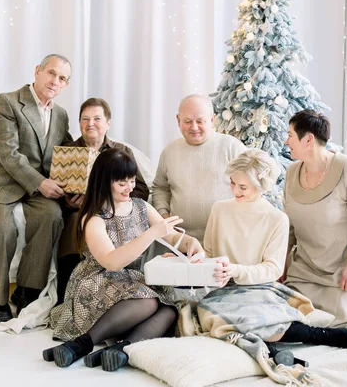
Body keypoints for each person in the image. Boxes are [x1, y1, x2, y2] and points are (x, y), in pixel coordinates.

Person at [44, 148, 203, 371]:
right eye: (122, 183)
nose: (129, 187)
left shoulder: (140, 206)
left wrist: (189, 243)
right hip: (98, 281)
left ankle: (121, 351)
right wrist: (151, 233)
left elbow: (170, 234)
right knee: (148, 301)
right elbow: (111, 262)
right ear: (105, 182)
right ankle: (83, 343)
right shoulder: (94, 218)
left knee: (169, 310)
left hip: (130, 282)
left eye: (131, 181)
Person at [203, 149, 347, 368]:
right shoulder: (219, 209)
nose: (235, 190)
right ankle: (272, 353)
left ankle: (317, 335)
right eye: (233, 183)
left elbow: (273, 269)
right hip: (221, 289)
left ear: (261, 185)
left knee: (253, 319)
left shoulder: (276, 219)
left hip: (259, 288)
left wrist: (236, 270)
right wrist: (198, 259)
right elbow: (209, 252)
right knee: (214, 320)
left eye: (243, 187)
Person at [0, 54, 73, 322]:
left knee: (52, 217)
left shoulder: (61, 115)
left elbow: (67, 151)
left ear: (66, 85)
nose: (55, 81)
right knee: (3, 229)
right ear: (37, 72)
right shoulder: (7, 102)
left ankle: (26, 290)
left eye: (62, 78)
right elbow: (8, 154)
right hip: (3, 182)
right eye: (51, 73)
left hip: (37, 189)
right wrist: (41, 183)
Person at [283, 109, 347, 327]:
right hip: (306, 269)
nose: (286, 141)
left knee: (332, 317)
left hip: (344, 270)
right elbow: (288, 226)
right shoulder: (292, 173)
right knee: (287, 307)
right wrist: (282, 263)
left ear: (308, 139)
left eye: (290, 135)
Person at [57, 98, 149, 302]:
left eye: (97, 118)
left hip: (115, 211)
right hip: (79, 213)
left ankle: (121, 289)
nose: (90, 123)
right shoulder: (67, 152)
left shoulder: (122, 152)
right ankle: (66, 294)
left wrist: (112, 200)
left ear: (108, 123)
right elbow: (56, 191)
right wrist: (69, 202)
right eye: (85, 119)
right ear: (79, 123)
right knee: (74, 222)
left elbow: (141, 189)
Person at [152, 94, 246, 242]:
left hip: (226, 239)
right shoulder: (169, 152)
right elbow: (160, 188)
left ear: (212, 119)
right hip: (180, 241)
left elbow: (251, 189)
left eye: (200, 121)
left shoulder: (231, 147)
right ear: (178, 120)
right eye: (188, 121)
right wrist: (164, 216)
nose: (194, 127)